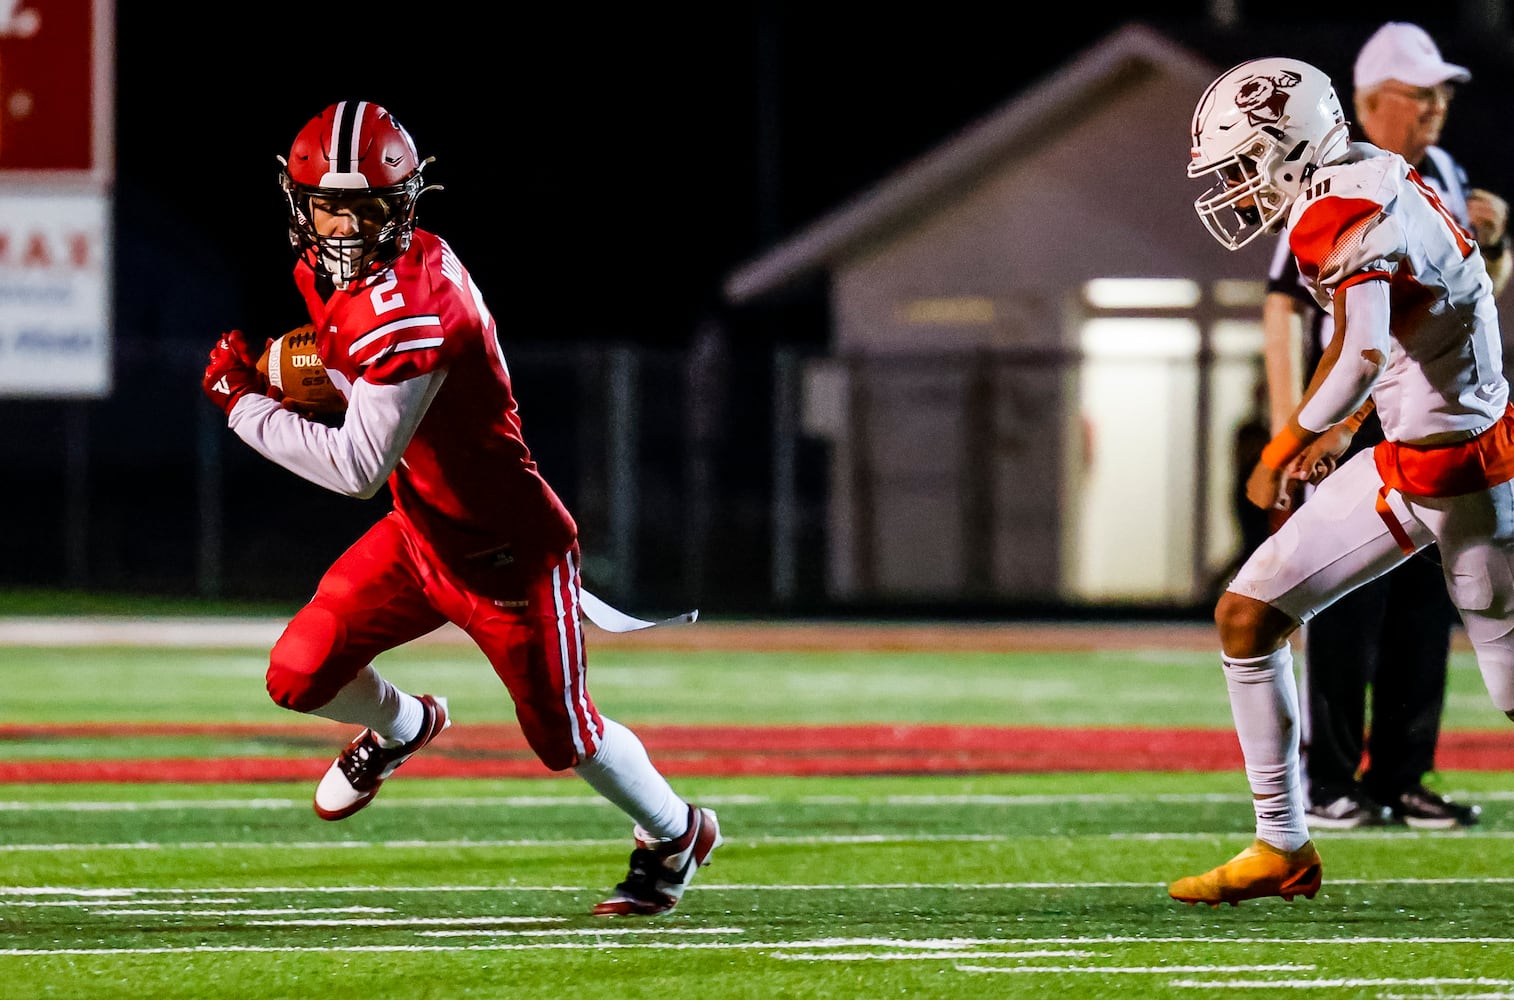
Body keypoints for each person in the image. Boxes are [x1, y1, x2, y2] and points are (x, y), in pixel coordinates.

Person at [200, 100, 721, 917]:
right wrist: (284, 371)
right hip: (423, 534)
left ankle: (675, 831)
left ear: (400, 207)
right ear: (302, 205)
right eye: (329, 206)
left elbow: (357, 466)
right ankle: (403, 725)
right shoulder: (331, 276)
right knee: (297, 673)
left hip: (509, 552)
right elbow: (353, 373)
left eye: (364, 208)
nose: (341, 228)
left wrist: (245, 406)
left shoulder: (418, 307)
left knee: (563, 737)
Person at [1172, 56, 1514, 906]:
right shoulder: (1374, 172)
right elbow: (1408, 330)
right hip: (1410, 460)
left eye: (1247, 160)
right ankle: (1282, 845)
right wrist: (1350, 432)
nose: (1239, 185)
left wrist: (1282, 445)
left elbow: (1362, 351)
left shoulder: (1339, 203)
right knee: (1248, 616)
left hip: (1468, 478)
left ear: (1290, 144)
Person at [1260, 22, 1505, 831]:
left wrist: (1496, 249)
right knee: (1339, 604)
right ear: (1367, 102)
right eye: (1419, 90)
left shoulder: (1434, 172)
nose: (1438, 104)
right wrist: (1293, 430)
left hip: (1430, 411)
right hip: (1356, 416)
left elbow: (1474, 298)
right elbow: (1287, 307)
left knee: (1424, 609)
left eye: (1443, 89)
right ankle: (1329, 775)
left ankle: (1402, 771)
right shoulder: (1333, 174)